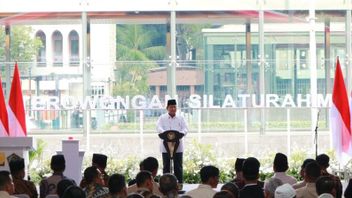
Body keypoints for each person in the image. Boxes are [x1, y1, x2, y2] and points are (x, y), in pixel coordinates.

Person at [157, 99, 188, 183]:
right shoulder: (162, 118)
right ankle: (165, 184)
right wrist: (165, 134)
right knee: (166, 166)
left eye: (174, 107)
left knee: (178, 167)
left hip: (178, 146)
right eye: (171, 107)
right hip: (166, 147)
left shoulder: (181, 118)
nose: (173, 109)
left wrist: (181, 133)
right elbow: (159, 128)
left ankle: (179, 184)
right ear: (167, 108)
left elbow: (185, 128)